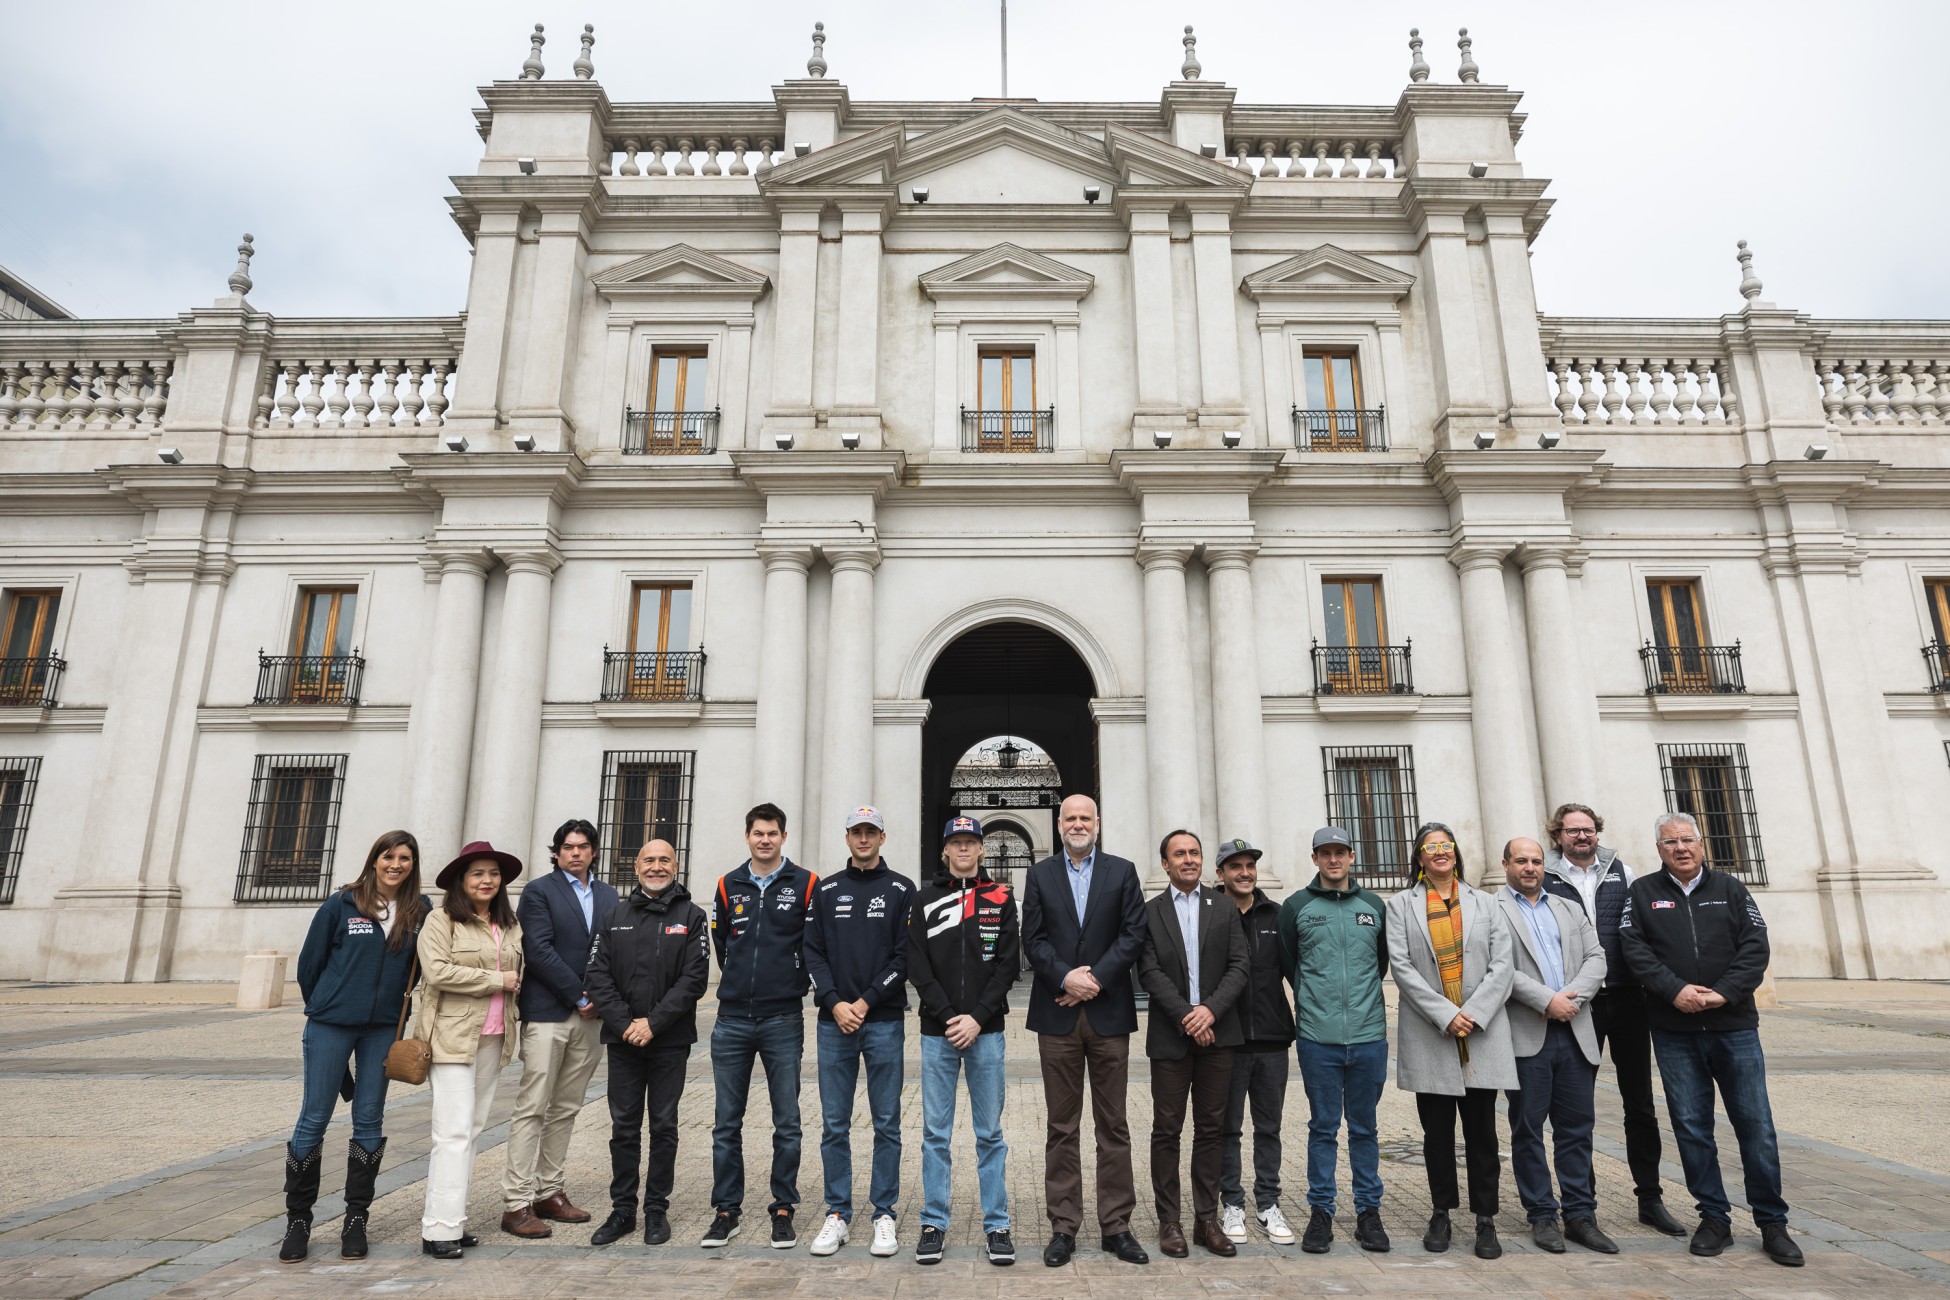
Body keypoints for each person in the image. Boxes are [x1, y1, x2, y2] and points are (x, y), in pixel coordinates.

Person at [1619, 811, 1803, 1268]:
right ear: (1658, 850)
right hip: (1674, 1029)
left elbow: (1755, 947)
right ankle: (1714, 1218)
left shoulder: (1731, 889)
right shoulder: (1642, 892)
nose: (1680, 848)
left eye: (1687, 840)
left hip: (1734, 1027)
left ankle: (1772, 1223)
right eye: (1669, 842)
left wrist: (1724, 993)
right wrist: (1673, 990)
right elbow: (1633, 949)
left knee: (1756, 1128)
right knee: (1692, 1128)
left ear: (1701, 844)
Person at [281, 830, 430, 1263]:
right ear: (375, 860)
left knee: (368, 1119)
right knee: (314, 1118)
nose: (395, 864)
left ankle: (355, 1219)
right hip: (330, 1024)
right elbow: (310, 964)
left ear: (412, 865)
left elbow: (415, 971)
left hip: (382, 1030)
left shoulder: (420, 911)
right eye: (388, 856)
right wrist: (326, 1004)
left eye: (404, 858)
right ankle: (298, 1220)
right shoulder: (342, 903)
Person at [1020, 793, 1150, 1268]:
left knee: (1113, 1124)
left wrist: (1091, 979)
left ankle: (1117, 1226)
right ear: (1059, 825)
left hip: (1108, 1014)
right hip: (1056, 1015)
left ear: (1098, 822)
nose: (1078, 824)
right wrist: (1065, 977)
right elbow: (1031, 938)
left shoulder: (1123, 871)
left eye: (1085, 818)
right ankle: (1063, 1227)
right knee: (1061, 1126)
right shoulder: (1039, 875)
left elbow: (1133, 934)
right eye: (1070, 818)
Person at [1542, 802, 1685, 1237]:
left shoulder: (1623, 872)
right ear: (1558, 836)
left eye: (1588, 830)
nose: (1582, 837)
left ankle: (1650, 1198)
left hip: (1626, 998)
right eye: (1573, 831)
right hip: (1575, 1003)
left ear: (1597, 833)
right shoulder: (1544, 875)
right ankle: (1580, 1205)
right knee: (1574, 1107)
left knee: (1639, 1103)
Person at [1386, 822, 1516, 1261]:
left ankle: (1486, 1218)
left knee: (1482, 1133)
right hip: (1432, 1032)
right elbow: (1401, 968)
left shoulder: (1487, 902)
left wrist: (1474, 1014)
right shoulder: (1401, 905)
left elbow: (1503, 963)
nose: (1440, 853)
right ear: (1419, 858)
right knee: (1436, 1135)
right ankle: (1441, 1211)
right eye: (1430, 847)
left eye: (1446, 846)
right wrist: (1446, 1014)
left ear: (1456, 853)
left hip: (1482, 1032)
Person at [583, 838, 711, 1246]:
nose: (656, 867)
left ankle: (656, 1209)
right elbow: (597, 975)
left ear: (676, 866)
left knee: (663, 1125)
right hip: (624, 1042)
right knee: (623, 1126)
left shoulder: (692, 916)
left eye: (664, 860)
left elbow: (694, 979)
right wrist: (626, 1025)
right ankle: (623, 1210)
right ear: (636, 866)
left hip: (669, 1041)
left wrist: (653, 1024)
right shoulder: (614, 915)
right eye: (648, 860)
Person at [907, 814, 1021, 1267]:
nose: (963, 850)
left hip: (986, 1031)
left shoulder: (1001, 897)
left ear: (980, 849)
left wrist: (976, 1017)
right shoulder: (923, 899)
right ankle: (934, 1221)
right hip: (938, 1031)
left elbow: (1009, 964)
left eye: (970, 842)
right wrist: (951, 1016)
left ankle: (998, 1225)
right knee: (935, 1133)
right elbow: (917, 964)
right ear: (945, 850)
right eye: (955, 842)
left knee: (989, 1133)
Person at [803, 806, 914, 1258]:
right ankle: (837, 1214)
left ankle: (884, 1213)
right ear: (847, 837)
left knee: (887, 1123)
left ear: (883, 837)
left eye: (871, 832)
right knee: (834, 1124)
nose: (864, 839)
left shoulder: (902, 890)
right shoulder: (827, 889)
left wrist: (865, 1001)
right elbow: (812, 952)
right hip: (834, 1024)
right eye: (856, 832)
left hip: (883, 1021)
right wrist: (835, 1003)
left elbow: (906, 957)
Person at [706, 802, 818, 1249]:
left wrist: (794, 980)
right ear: (747, 836)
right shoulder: (725, 884)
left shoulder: (807, 883)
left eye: (772, 833)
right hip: (731, 1017)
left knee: (787, 1121)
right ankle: (726, 1210)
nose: (765, 839)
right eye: (758, 833)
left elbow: (813, 944)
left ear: (783, 837)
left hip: (782, 1016)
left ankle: (783, 1207)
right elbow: (721, 941)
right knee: (725, 1123)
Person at [1498, 836, 1617, 1255]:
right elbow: (1499, 969)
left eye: (1535, 861)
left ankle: (1581, 1216)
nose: (1529, 868)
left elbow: (1597, 958)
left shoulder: (1568, 907)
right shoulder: (1493, 911)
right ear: (1506, 864)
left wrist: (1571, 998)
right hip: (1527, 1036)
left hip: (1575, 1032)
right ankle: (1542, 1216)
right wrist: (1546, 1000)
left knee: (1577, 1130)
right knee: (1528, 1131)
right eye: (1521, 861)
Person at [1275, 826, 1391, 1256]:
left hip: (1368, 1037)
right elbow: (1290, 964)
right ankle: (1321, 1212)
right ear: (1315, 859)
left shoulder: (1374, 906)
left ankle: (1368, 1213)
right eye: (1325, 853)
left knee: (1365, 1128)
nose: (1333, 860)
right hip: (1317, 1038)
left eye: (1340, 852)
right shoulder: (1297, 907)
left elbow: (1379, 964)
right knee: (1322, 1127)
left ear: (1352, 856)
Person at [501, 818, 618, 1239]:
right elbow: (539, 950)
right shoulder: (538, 891)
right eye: (568, 847)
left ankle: (548, 1192)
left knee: (566, 1107)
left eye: (583, 847)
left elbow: (613, 949)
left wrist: (601, 999)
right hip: (550, 1012)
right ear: (556, 852)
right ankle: (515, 1202)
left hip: (592, 1018)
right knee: (533, 1106)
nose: (575, 853)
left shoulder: (608, 894)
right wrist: (581, 996)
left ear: (593, 851)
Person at [1138, 829, 1249, 1259]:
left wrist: (1210, 1012)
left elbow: (1239, 966)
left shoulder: (1222, 907)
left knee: (1211, 1130)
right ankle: (1170, 1221)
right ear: (1164, 864)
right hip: (1171, 1037)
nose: (1188, 859)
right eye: (1179, 854)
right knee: (1166, 1131)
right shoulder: (1150, 912)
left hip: (1218, 1036)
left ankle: (1206, 1220)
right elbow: (1148, 972)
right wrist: (1188, 1014)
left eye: (1194, 853)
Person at [416, 840, 525, 1259]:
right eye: (478, 873)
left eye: (493, 874)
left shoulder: (509, 924)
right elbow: (438, 971)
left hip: (494, 1039)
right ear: (461, 880)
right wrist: (497, 980)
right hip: (450, 1040)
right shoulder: (440, 921)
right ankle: (437, 1229)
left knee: (472, 1130)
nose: (487, 880)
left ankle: (452, 1221)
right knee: (453, 1132)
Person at [1213, 838, 1296, 1248]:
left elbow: (1296, 972)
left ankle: (1268, 1202)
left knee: (1270, 1128)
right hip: (1226, 1043)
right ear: (1221, 874)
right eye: (1235, 867)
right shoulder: (1211, 915)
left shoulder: (1278, 916)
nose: (1244, 873)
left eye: (1249, 866)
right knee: (1227, 1129)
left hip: (1272, 1040)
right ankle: (1232, 1203)